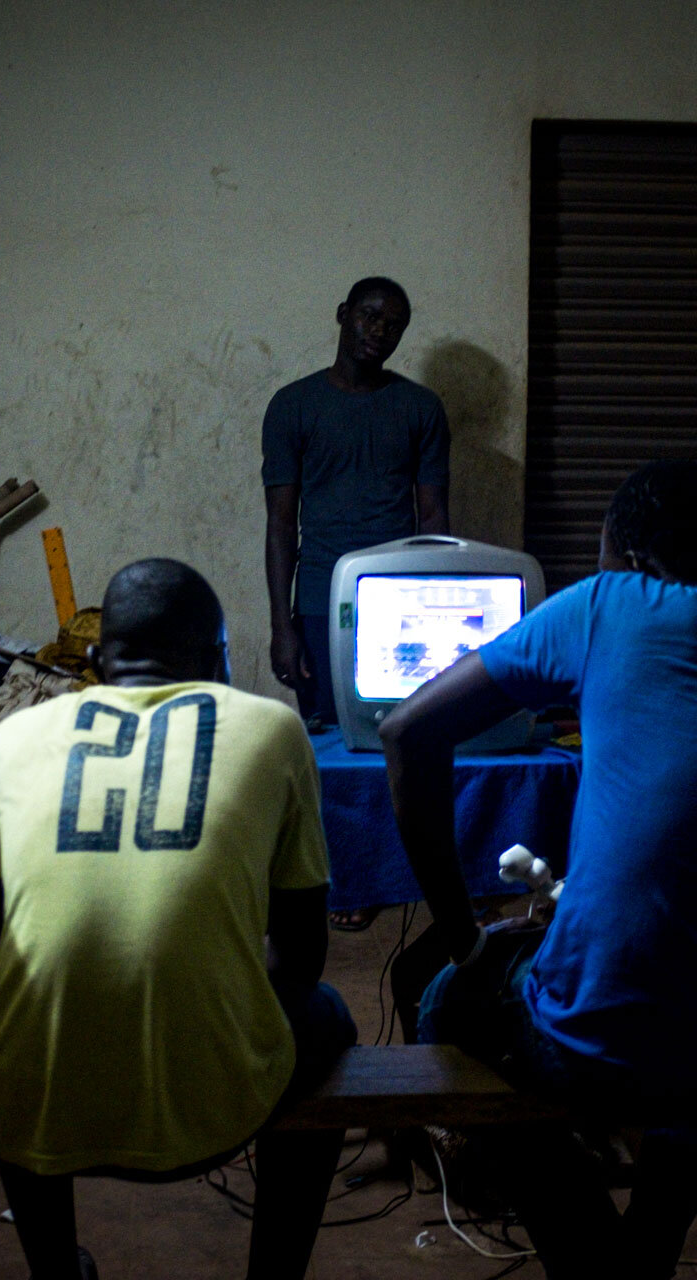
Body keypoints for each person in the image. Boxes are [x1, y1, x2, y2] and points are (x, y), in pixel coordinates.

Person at [379, 460, 697, 1278]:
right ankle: (650, 1248)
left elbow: (406, 732)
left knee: (443, 999)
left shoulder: (610, 605)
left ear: (631, 560)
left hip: (603, 1037)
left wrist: (466, 934)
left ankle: (597, 1265)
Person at [0, 558, 355, 1280]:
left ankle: (55, 1269)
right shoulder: (272, 730)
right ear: (217, 661)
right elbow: (301, 956)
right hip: (218, 1113)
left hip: (44, 1112)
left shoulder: (12, 739)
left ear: (100, 659)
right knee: (326, 1014)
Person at [263, 275, 450, 930]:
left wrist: (435, 614)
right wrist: (282, 624)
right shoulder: (293, 406)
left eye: (394, 323)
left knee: (397, 742)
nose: (379, 330)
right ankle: (328, 877)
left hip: (399, 604)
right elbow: (282, 524)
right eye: (370, 315)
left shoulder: (420, 410)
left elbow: (433, 519)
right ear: (342, 315)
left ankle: (385, 874)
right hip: (321, 600)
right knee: (328, 753)